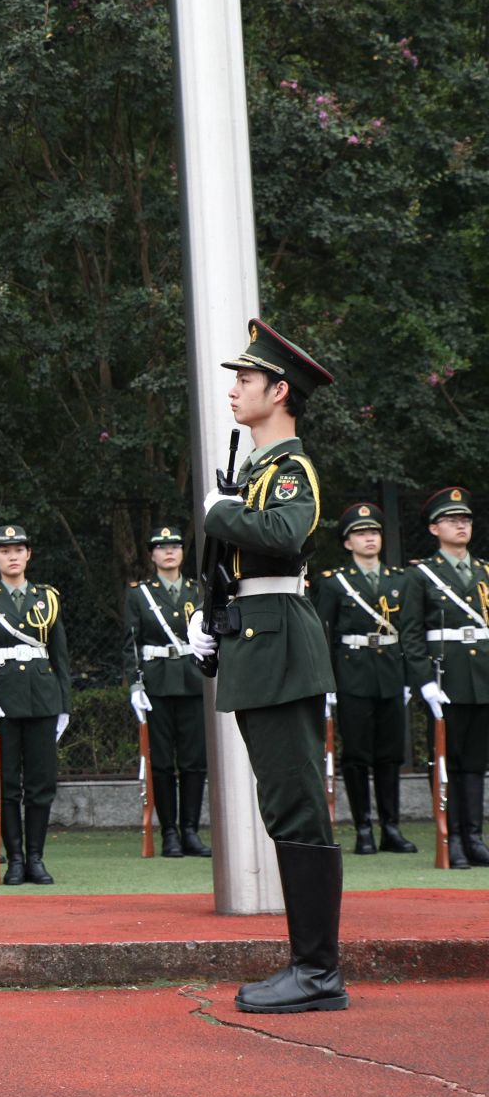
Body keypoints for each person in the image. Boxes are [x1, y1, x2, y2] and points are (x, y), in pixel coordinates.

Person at [187, 318, 345, 1014]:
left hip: (280, 647)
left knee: (297, 803)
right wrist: (209, 616)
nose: (234, 390)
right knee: (283, 803)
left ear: (279, 391)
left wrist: (220, 514)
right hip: (258, 642)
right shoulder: (255, 471)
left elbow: (285, 533)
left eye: (246, 379)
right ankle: (311, 965)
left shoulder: (290, 470)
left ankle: (318, 970)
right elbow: (240, 565)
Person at [313, 503, 420, 856]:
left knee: (390, 755)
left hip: (390, 672)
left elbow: (409, 632)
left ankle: (391, 827)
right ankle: (363, 828)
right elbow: (323, 634)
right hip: (352, 674)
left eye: (373, 532)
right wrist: (327, 681)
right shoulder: (335, 582)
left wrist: (409, 678)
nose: (369, 538)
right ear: (348, 543)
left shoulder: (399, 579)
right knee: (357, 755)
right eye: (360, 533)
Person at [0, 523, 71, 886]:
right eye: (4, 551)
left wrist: (64, 704)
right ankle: (15, 859)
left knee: (42, 783)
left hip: (42, 699)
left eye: (18, 550)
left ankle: (36, 858)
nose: (12, 557)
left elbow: (60, 656)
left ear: (28, 554)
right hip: (3, 702)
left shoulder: (48, 598)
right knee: (8, 784)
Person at [407, 486, 489, 868]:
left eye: (465, 519)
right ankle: (451, 837)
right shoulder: (422, 575)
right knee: (447, 761)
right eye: (452, 520)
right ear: (434, 528)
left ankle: (474, 837)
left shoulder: (484, 572)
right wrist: (424, 681)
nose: (461, 525)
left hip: (481, 678)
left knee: (475, 761)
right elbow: (410, 634)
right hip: (446, 679)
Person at [127, 526, 210, 859]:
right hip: (157, 684)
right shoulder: (140, 594)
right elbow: (130, 644)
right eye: (162, 547)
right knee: (161, 762)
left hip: (192, 681)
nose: (169, 552)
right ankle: (170, 833)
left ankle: (190, 830)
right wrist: (135, 684)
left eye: (175, 546)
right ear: (152, 555)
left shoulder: (197, 590)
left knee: (194, 761)